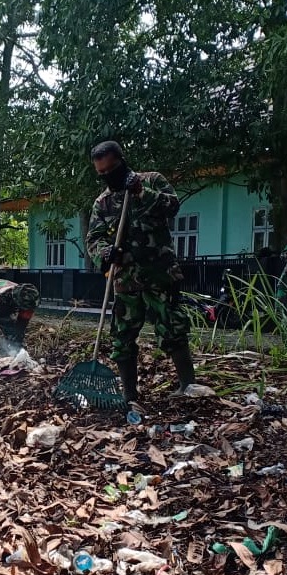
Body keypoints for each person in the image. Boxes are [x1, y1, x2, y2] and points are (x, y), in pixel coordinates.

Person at [84, 140, 197, 409]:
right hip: (125, 280)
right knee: (122, 337)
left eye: (111, 170)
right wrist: (105, 253)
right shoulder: (103, 203)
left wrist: (140, 192)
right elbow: (94, 239)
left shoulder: (152, 181)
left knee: (173, 329)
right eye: (101, 173)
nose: (107, 176)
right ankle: (129, 395)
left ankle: (188, 386)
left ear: (121, 162)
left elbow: (172, 206)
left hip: (160, 274)